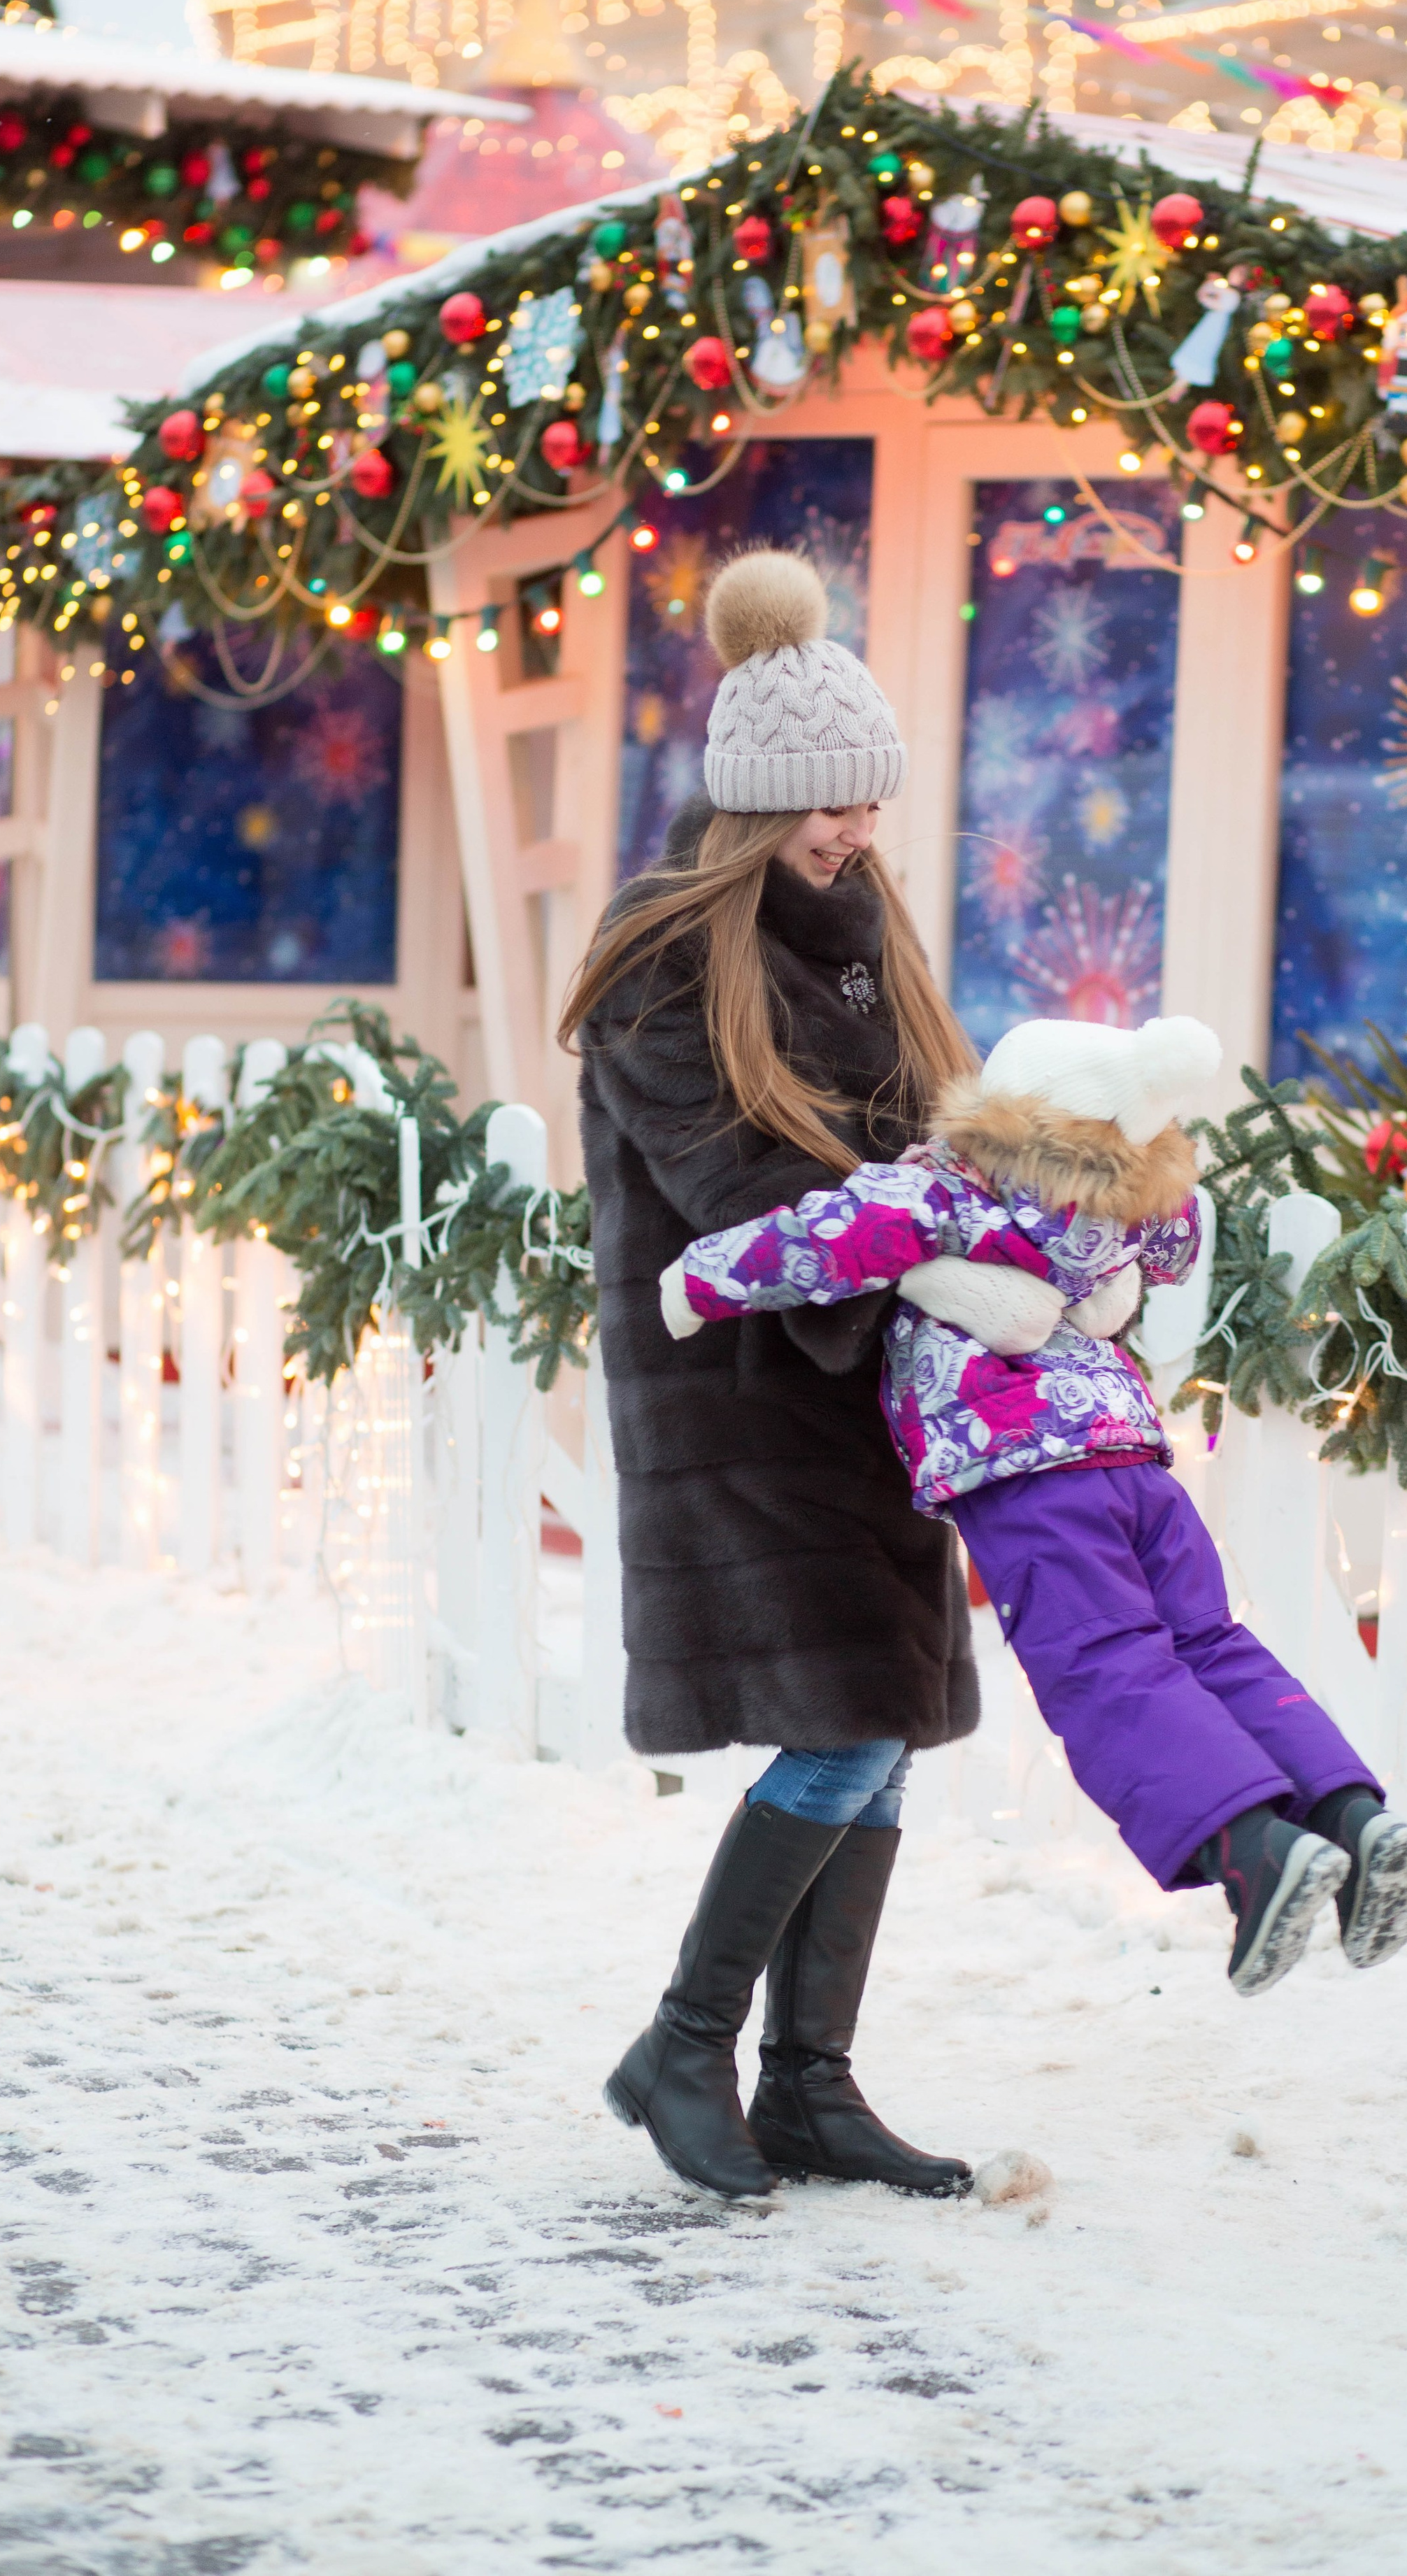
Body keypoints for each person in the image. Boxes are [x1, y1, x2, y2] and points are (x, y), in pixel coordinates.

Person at [561, 548, 1019, 2205]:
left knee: (877, 1732)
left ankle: (808, 2086)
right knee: (841, 1728)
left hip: (874, 1383)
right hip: (744, 1392)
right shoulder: (662, 958)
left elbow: (928, 1139)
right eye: (827, 805)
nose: (854, 830)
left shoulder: (862, 931)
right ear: (756, 803)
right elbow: (734, 1191)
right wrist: (925, 1255)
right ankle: (680, 2047)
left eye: (868, 799)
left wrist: (1003, 1229)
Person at [659, 1010, 1407, 1998]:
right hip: (1135, 1461)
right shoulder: (1130, 1208)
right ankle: (1353, 1819)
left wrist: (694, 1280)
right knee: (1210, 1644)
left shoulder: (950, 1186)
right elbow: (1178, 1243)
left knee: (1107, 1665)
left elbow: (820, 1241)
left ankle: (1252, 1851)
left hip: (1030, 1473)